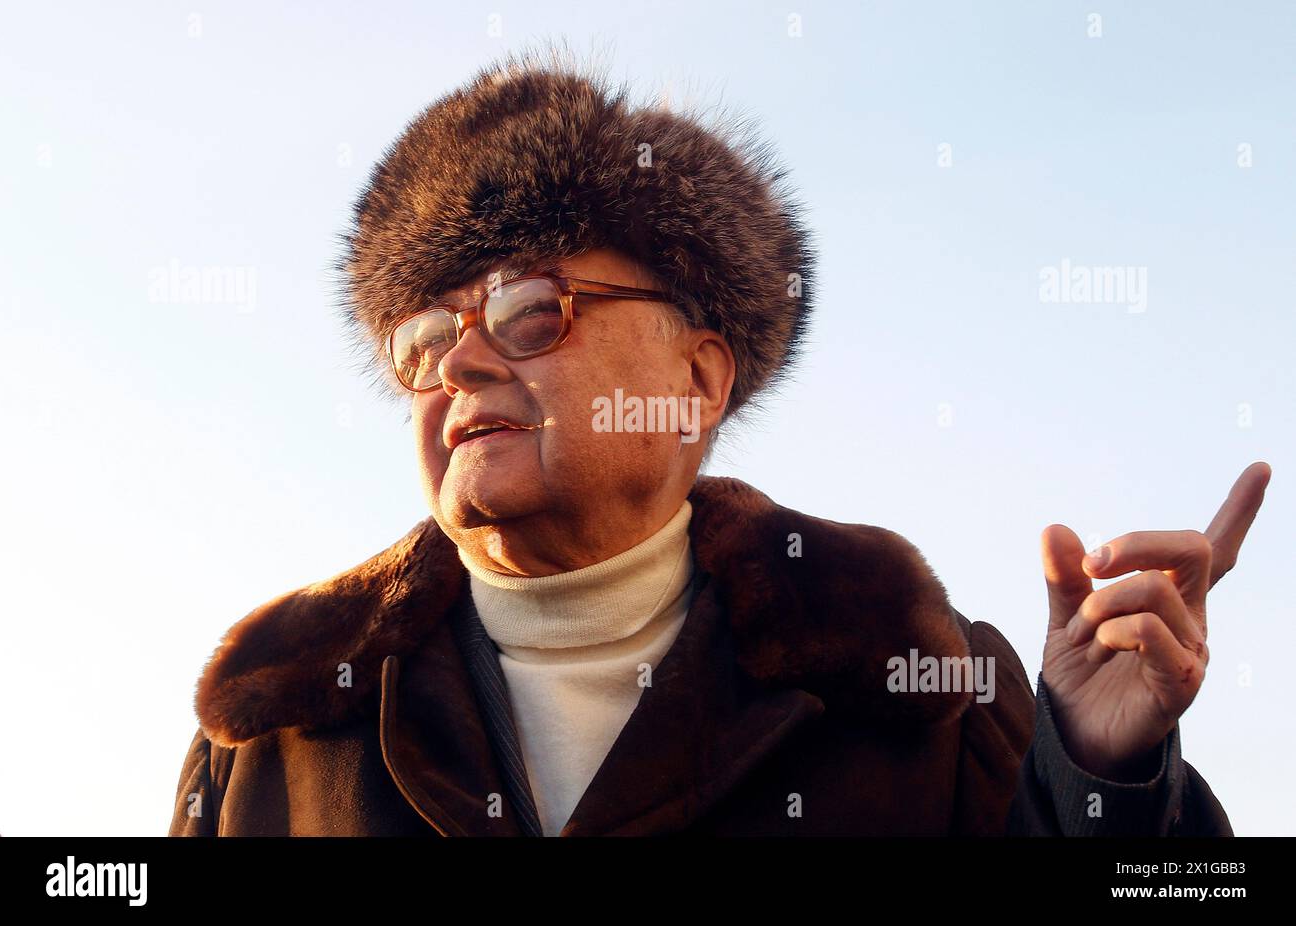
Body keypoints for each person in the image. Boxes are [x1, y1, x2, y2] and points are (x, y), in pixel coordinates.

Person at [169, 46, 1269, 837]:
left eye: (525, 308)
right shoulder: (278, 724)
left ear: (695, 378)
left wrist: (1102, 777)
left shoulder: (929, 693)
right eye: (421, 337)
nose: (457, 365)